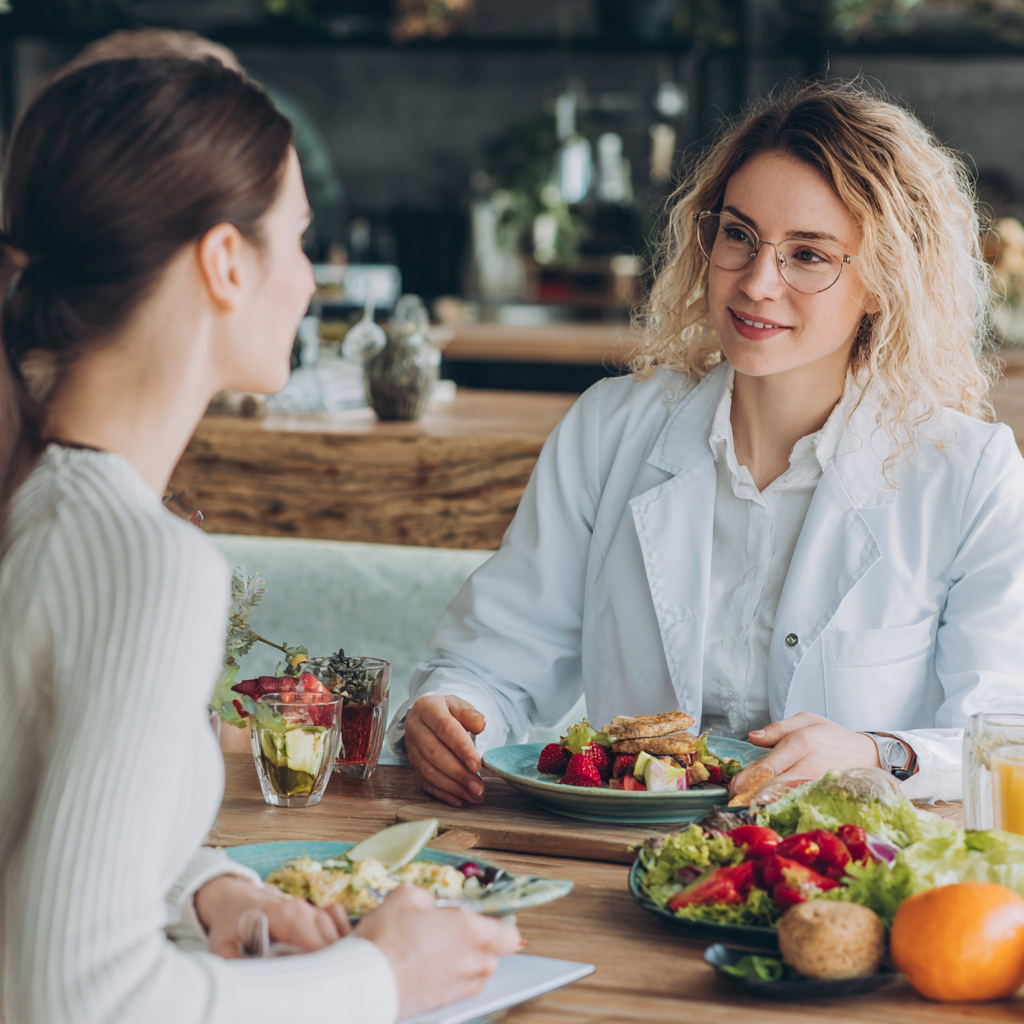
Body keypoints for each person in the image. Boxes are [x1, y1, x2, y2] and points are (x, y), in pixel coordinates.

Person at [0, 57, 518, 1024]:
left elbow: (28, 817)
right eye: (300, 238)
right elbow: (78, 1000)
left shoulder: (32, 489)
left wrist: (206, 890)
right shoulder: (147, 564)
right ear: (226, 262)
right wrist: (384, 978)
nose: (311, 278)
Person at [389, 79, 1024, 808]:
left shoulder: (970, 473)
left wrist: (875, 753)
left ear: (885, 280)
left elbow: (1005, 734)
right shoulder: (608, 431)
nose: (757, 282)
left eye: (808, 255)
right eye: (739, 235)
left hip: (846, 859)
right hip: (621, 855)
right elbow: (495, 664)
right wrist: (452, 711)